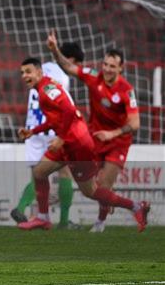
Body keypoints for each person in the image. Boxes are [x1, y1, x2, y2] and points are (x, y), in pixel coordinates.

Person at [16, 58, 149, 232]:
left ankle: (136, 207)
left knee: (91, 191)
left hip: (77, 143)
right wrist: (33, 131)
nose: (25, 76)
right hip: (69, 140)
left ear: (39, 73)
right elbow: (55, 118)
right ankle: (43, 218)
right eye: (22, 73)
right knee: (39, 172)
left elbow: (69, 110)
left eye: (29, 72)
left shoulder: (47, 89)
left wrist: (62, 138)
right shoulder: (42, 89)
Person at [47, 29, 141, 233]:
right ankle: (110, 202)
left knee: (104, 183)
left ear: (121, 68)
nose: (107, 69)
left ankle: (100, 223)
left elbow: (135, 123)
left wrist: (113, 133)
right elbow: (69, 66)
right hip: (95, 139)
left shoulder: (127, 91)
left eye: (112, 66)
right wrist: (55, 50)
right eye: (105, 64)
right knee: (94, 186)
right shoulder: (93, 78)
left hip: (118, 142)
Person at [11, 43, 84, 230]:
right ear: (71, 60)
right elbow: (66, 109)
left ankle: (22, 208)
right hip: (54, 129)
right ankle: (64, 221)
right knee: (64, 172)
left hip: (33, 128)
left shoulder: (36, 70)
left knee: (39, 173)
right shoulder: (59, 76)